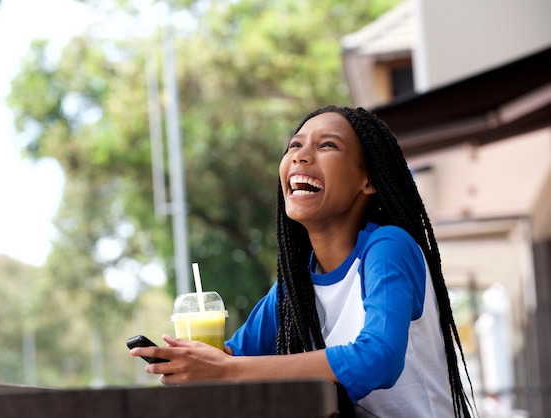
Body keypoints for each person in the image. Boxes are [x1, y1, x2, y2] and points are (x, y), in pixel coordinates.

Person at [131, 105, 475, 417]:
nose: (301, 156)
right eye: (295, 145)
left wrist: (225, 370)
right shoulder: (293, 289)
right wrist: (190, 367)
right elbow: (232, 360)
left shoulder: (387, 247)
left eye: (327, 146)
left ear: (368, 179)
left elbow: (378, 359)